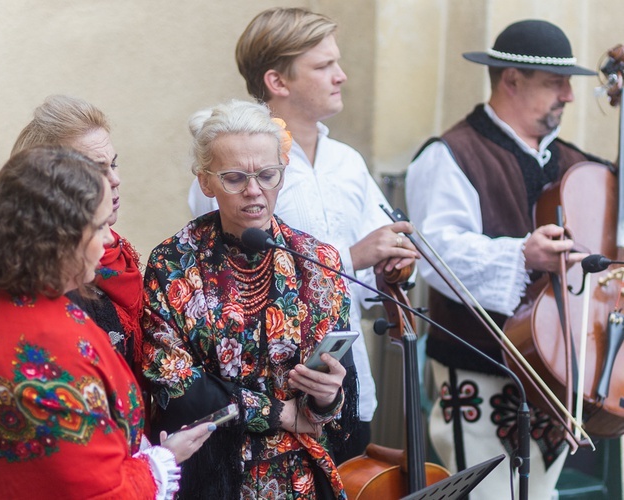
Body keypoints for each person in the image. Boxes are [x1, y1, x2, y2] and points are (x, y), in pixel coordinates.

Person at [188, 7, 419, 462]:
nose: (341, 76)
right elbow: (225, 273)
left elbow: (371, 286)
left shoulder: (348, 162)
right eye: (323, 65)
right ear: (278, 81)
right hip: (272, 396)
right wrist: (353, 255)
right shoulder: (236, 167)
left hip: (348, 380)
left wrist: (393, 264)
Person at [405, 20, 611, 499]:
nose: (569, 95)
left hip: (560, 372)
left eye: (570, 83)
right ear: (511, 79)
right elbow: (436, 253)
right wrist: (522, 253)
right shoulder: (451, 154)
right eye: (554, 83)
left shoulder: (575, 161)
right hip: (480, 366)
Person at [0, 146, 213, 499]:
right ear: (59, 241)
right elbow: (101, 493)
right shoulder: (50, 352)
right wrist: (164, 459)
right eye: (98, 228)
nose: (109, 239)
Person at [143, 99, 357, 498]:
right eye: (235, 178)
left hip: (301, 479)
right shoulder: (172, 263)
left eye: (267, 174)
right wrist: (277, 413)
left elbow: (333, 389)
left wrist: (328, 397)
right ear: (206, 181)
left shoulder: (318, 262)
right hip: (210, 476)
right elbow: (172, 382)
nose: (254, 191)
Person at [12, 95, 146, 382]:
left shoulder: (116, 251)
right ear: (50, 186)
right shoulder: (51, 279)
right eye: (97, 170)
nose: (114, 179)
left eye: (114, 163)